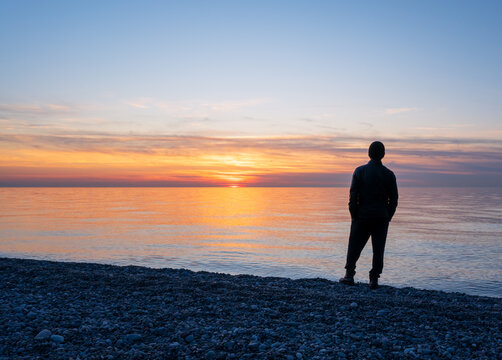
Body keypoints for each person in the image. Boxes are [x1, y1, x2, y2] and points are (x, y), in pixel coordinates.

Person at [339, 141, 398, 289]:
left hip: (362, 216)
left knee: (354, 246)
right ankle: (374, 279)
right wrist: (388, 216)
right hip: (381, 217)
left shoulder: (359, 171)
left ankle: (349, 275)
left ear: (369, 153)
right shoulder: (389, 174)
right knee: (378, 249)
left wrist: (353, 215)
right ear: (383, 154)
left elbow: (353, 196)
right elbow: (394, 199)